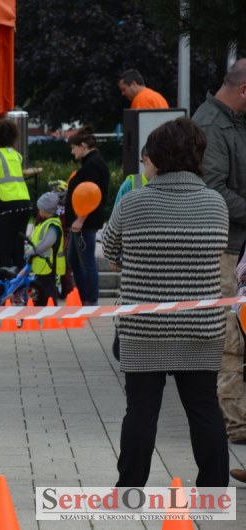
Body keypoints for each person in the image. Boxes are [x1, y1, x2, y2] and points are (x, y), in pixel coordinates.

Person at [102, 117, 230, 487]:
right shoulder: (215, 203)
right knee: (204, 409)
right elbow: (217, 249)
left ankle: (129, 491)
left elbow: (109, 249)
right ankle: (213, 491)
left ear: (157, 157)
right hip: (200, 326)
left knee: (141, 411)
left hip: (144, 326)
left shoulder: (133, 202)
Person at [192, 58, 246, 446]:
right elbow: (214, 193)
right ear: (244, 90)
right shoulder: (212, 124)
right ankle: (237, 424)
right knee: (231, 339)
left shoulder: (234, 121)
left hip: (238, 245)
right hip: (226, 249)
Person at [64, 126, 109, 306]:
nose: (72, 152)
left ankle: (90, 299)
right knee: (74, 260)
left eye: (73, 148)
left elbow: (91, 195)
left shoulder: (93, 165)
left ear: (83, 146)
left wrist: (80, 219)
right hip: (81, 222)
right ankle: (84, 297)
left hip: (84, 223)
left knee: (86, 261)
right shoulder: (91, 163)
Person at [0, 120, 31, 271]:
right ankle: (21, 283)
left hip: (6, 207)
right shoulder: (17, 156)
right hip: (25, 204)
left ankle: (5, 285)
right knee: (18, 250)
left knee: (4, 252)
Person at [24, 192, 63, 305]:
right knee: (42, 293)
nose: (39, 211)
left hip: (48, 265)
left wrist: (30, 252)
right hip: (42, 265)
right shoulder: (44, 223)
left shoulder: (53, 225)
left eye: (40, 208)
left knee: (48, 293)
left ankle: (51, 312)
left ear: (46, 210)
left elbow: (46, 243)